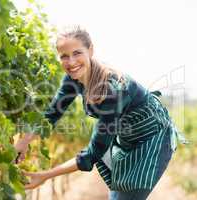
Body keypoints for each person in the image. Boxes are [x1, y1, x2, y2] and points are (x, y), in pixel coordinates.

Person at [14, 26, 187, 200]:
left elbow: (92, 155)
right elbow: (52, 114)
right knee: (118, 193)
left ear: (90, 50)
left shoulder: (112, 89)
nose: (71, 62)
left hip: (152, 141)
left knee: (125, 194)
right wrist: (24, 141)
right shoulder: (73, 80)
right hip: (126, 137)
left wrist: (45, 175)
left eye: (77, 53)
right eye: (64, 56)